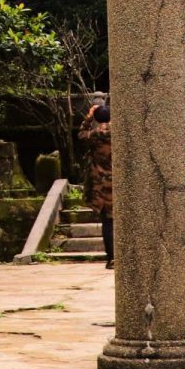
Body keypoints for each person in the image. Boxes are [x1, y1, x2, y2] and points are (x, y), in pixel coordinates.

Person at [78, 98, 113, 267]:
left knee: (107, 221)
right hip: (119, 183)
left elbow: (81, 134)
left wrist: (88, 118)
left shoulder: (93, 136)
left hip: (100, 184)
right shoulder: (119, 135)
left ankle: (112, 257)